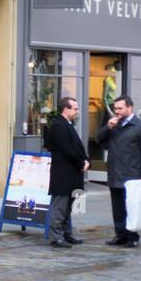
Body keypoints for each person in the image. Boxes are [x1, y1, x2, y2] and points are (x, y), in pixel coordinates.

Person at [94, 94, 141, 248]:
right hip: (115, 171)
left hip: (132, 174)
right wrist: (108, 127)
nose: (117, 111)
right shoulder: (114, 125)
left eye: (120, 108)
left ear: (130, 108)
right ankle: (120, 234)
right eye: (115, 108)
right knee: (117, 207)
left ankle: (132, 236)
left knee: (131, 207)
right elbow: (98, 139)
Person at [43, 96, 89, 248]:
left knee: (68, 206)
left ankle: (66, 233)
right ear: (66, 110)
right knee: (60, 206)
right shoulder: (58, 126)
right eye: (75, 109)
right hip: (63, 175)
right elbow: (67, 149)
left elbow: (76, 146)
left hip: (72, 174)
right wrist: (81, 162)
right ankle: (56, 237)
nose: (77, 111)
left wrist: (85, 160)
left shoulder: (67, 124)